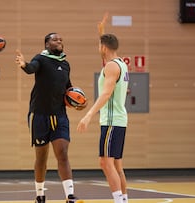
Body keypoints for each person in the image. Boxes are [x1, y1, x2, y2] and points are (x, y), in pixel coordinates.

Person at [15, 33, 84, 203]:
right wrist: (24, 65)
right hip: (39, 115)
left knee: (62, 153)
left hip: (59, 115)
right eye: (55, 39)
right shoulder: (41, 59)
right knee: (41, 158)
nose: (59, 41)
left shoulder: (66, 64)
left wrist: (78, 102)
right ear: (47, 44)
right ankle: (39, 194)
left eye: (61, 39)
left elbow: (68, 88)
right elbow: (32, 68)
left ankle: (70, 195)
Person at [76, 33, 130, 203]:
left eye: (99, 45)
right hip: (120, 120)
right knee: (116, 166)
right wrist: (101, 31)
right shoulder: (121, 63)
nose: (98, 48)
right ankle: (124, 200)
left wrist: (88, 115)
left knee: (105, 163)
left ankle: (119, 201)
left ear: (104, 47)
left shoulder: (111, 67)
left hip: (112, 121)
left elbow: (106, 93)